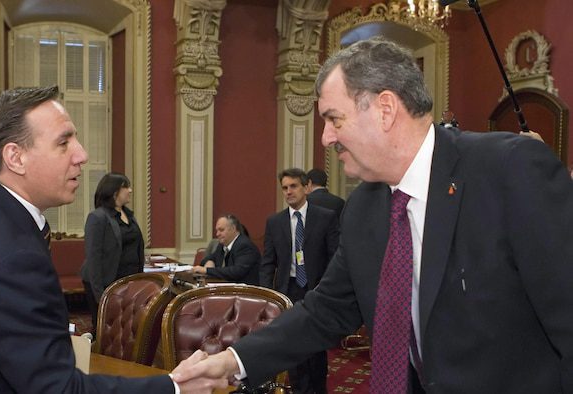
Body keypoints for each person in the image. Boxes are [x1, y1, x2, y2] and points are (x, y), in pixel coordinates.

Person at [173, 37, 573, 393]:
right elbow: (326, 310)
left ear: (384, 109)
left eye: (334, 119)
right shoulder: (364, 208)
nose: (327, 138)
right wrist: (233, 362)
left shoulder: (508, 170)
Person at [0, 86, 226, 393]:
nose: (82, 155)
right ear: (16, 157)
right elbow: (58, 389)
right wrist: (173, 387)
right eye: (64, 142)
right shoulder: (14, 256)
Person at [258, 168, 339, 394]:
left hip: (317, 290)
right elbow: (268, 261)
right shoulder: (275, 222)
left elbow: (335, 257)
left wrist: (328, 289)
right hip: (289, 290)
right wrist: (267, 295)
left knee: (316, 345)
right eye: (284, 188)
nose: (288, 192)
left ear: (306, 187)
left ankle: (317, 389)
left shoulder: (325, 217)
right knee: (292, 345)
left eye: (293, 186)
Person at [80, 172, 145, 333]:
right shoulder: (98, 217)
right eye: (126, 187)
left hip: (129, 281)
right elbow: (93, 257)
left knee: (126, 326)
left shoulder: (129, 215)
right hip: (106, 281)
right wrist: (100, 295)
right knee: (105, 328)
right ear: (114, 191)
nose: (130, 190)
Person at [191, 214, 260, 285]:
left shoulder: (244, 245)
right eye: (217, 230)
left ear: (233, 229)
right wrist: (209, 261)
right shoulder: (222, 244)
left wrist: (207, 270)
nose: (217, 234)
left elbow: (235, 272)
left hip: (245, 291)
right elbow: (210, 257)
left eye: (221, 230)